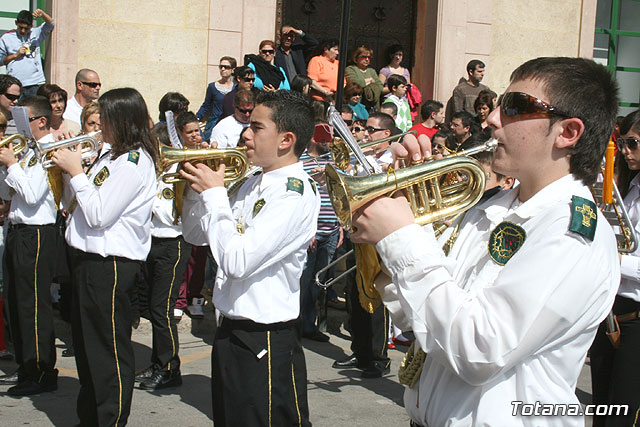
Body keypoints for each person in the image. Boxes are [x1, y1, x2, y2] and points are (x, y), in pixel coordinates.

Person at [349, 56, 620, 427]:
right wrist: (395, 219)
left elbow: (479, 349)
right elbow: (422, 317)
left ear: (568, 132)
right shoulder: (494, 209)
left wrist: (402, 237)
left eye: (513, 107)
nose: (492, 119)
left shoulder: (571, 234)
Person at [179, 90, 318, 426]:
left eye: (256, 127)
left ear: (286, 140)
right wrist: (198, 192)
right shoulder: (252, 181)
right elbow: (195, 236)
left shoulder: (292, 193)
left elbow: (238, 261)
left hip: (265, 337)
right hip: (231, 331)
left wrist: (214, 194)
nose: (245, 134)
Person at [51, 87, 158, 426]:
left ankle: (109, 419)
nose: (99, 127)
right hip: (86, 262)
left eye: (106, 119)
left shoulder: (134, 161)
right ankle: (91, 417)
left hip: (109, 267)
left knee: (107, 351)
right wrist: (71, 164)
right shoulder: (109, 156)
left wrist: (77, 171)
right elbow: (74, 203)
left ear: (122, 120)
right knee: (86, 349)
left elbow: (98, 214)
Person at [0, 96, 58, 396]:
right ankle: (26, 367)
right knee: (15, 301)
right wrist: (10, 166)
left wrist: (11, 164)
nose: (18, 127)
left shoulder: (48, 150)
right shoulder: (30, 151)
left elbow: (33, 194)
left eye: (24, 120)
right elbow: (12, 192)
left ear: (41, 121)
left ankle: (41, 371)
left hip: (36, 234)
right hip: (19, 230)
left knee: (32, 305)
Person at [590, 109, 640, 426]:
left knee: (624, 413)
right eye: (622, 142)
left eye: (633, 143)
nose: (624, 150)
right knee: (603, 409)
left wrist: (612, 256)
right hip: (611, 310)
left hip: (636, 317)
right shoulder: (630, 187)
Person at [134, 124, 191, 391]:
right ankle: (158, 363)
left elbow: (171, 215)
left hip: (173, 244)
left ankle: (170, 367)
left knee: (162, 309)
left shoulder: (177, 173)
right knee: (152, 307)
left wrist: (148, 199)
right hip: (152, 243)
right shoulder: (156, 173)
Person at [299, 123, 343, 342]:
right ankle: (295, 327)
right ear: (315, 139)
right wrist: (308, 231)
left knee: (318, 283)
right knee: (303, 281)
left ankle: (309, 325)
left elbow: (341, 196)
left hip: (332, 229)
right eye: (326, 139)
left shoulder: (335, 161)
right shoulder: (301, 163)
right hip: (312, 232)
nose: (330, 143)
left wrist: (341, 225)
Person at [0, 9, 54, 99]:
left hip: (34, 83)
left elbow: (51, 24)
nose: (23, 31)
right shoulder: (6, 38)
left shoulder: (35, 33)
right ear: (16, 23)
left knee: (34, 111)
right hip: (15, 83)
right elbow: (0, 60)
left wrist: (43, 14)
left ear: (31, 26)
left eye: (26, 28)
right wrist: (15, 55)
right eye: (20, 27)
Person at [196, 56, 236, 141]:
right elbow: (206, 105)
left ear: (233, 69)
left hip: (231, 125)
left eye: (226, 67)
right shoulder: (212, 87)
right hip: (214, 124)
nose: (223, 69)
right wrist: (196, 118)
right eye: (221, 67)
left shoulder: (237, 87)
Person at [345, 46, 383, 110]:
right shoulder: (350, 69)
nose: (367, 59)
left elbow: (380, 86)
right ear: (356, 57)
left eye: (369, 57)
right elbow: (355, 84)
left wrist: (365, 83)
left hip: (373, 106)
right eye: (363, 57)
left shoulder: (372, 71)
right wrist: (370, 80)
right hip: (357, 105)